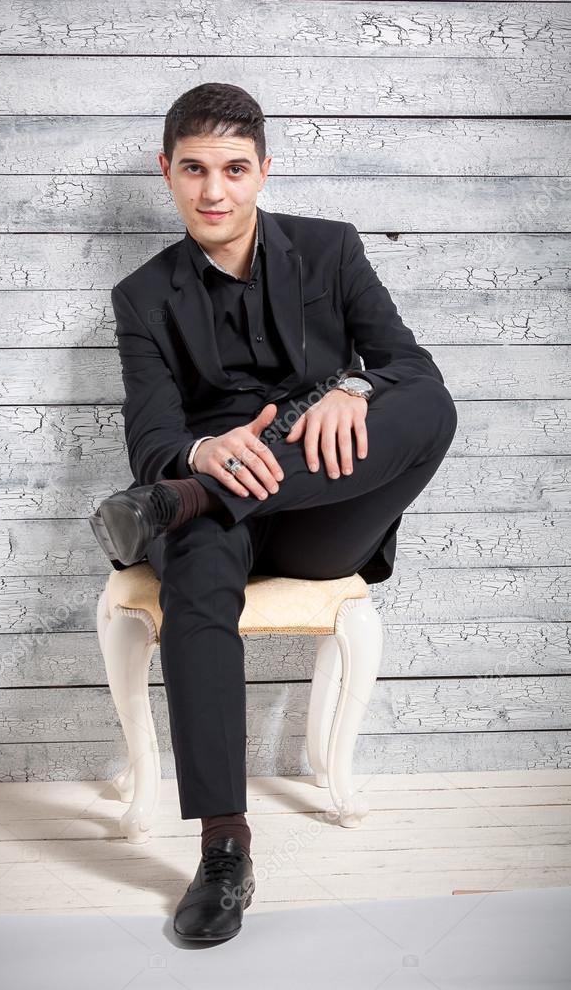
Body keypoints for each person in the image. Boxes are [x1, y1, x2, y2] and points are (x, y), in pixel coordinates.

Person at [89, 82, 458, 942]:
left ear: (263, 171)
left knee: (430, 406)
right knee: (196, 568)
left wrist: (355, 388)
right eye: (194, 169)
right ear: (167, 172)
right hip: (220, 511)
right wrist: (196, 455)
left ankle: (182, 505)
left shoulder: (332, 251)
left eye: (233, 169)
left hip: (328, 514)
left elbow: (410, 364)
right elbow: (152, 435)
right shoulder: (141, 298)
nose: (214, 190)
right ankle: (224, 849)